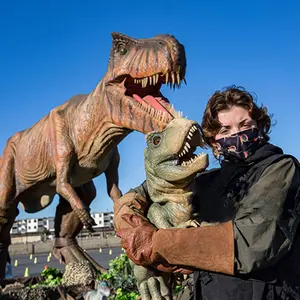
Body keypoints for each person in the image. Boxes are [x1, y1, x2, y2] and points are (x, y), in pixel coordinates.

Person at [114, 86, 300, 300]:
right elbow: (147, 191)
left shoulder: (280, 170)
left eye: (245, 124)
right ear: (213, 142)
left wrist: (156, 245)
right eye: (225, 130)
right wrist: (126, 215)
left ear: (260, 126)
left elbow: (251, 244)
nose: (237, 135)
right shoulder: (208, 180)